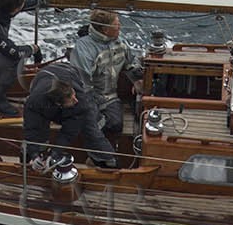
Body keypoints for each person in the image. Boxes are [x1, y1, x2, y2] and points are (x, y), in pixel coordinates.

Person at [22, 59, 119, 173]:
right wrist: (34, 154)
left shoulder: (79, 101)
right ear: (59, 104)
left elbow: (69, 132)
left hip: (71, 74)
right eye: (72, 100)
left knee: (91, 131)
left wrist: (55, 153)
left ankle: (109, 163)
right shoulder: (34, 103)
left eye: (74, 95)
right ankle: (31, 162)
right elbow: (32, 129)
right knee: (39, 133)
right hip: (42, 83)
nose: (75, 100)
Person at [69, 9, 143, 141]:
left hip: (109, 97)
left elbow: (130, 63)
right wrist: (93, 111)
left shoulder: (119, 43)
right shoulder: (84, 49)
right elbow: (82, 85)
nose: (120, 26)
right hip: (87, 97)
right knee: (94, 122)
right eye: (116, 24)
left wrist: (137, 79)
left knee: (115, 124)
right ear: (105, 29)